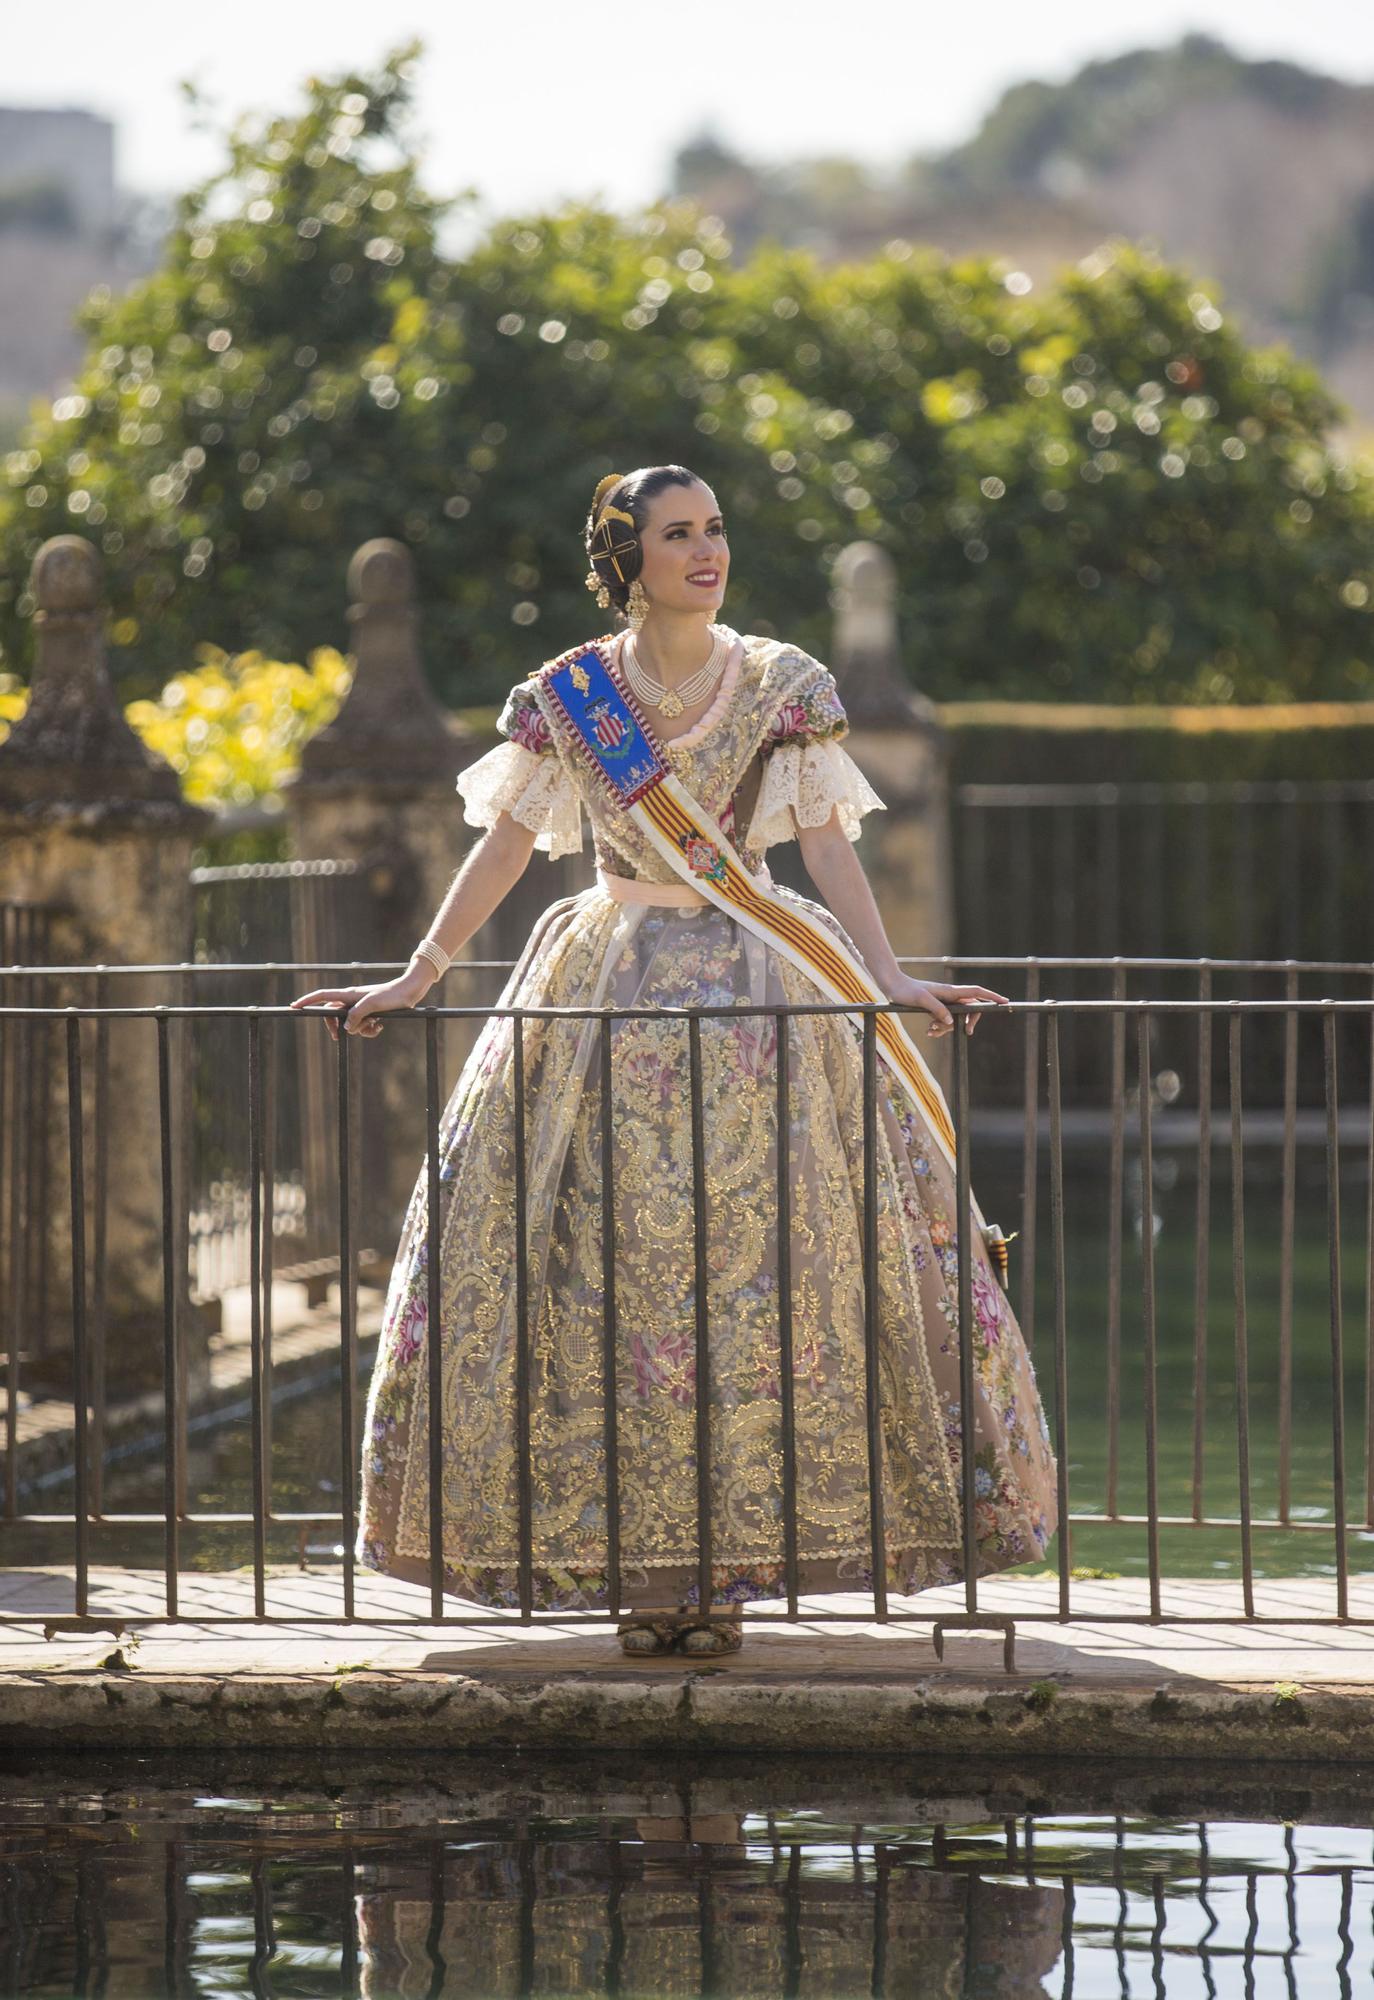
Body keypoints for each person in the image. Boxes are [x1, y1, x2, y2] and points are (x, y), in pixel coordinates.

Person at [291, 463, 1057, 1658]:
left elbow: (823, 849)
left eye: (716, 531)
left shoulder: (785, 682)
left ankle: (730, 1567)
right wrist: (420, 974)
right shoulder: (571, 696)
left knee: (761, 1275)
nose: (707, 551)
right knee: (605, 1271)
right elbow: (502, 851)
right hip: (600, 985)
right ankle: (644, 1573)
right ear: (626, 557)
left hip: (762, 991)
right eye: (678, 534)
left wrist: (892, 977)